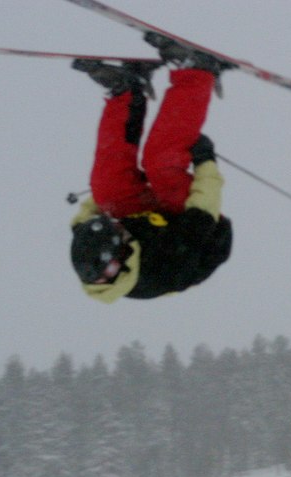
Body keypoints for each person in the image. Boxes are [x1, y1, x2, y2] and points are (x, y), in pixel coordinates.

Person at [70, 45, 233, 302]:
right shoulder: (167, 264)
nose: (116, 223)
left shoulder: (86, 235)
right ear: (122, 255)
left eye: (113, 225)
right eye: (118, 230)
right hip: (194, 230)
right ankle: (198, 73)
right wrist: (205, 160)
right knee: (160, 162)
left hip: (149, 220)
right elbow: (204, 208)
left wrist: (123, 188)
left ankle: (128, 92)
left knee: (106, 186)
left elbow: (95, 204)